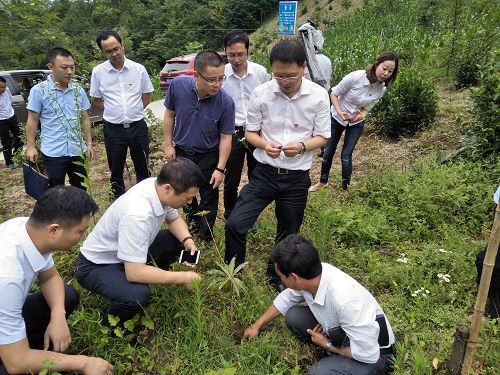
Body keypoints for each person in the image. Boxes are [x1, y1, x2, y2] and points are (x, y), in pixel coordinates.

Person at [224, 40, 330, 288]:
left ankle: (277, 277)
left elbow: (323, 135)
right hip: (264, 174)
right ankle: (234, 273)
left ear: (303, 67)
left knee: (288, 233)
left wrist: (303, 146)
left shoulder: (318, 96)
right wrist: (263, 145)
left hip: (296, 178)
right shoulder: (261, 93)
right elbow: (250, 132)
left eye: (291, 75)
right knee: (236, 223)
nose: (285, 81)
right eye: (279, 75)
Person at [243, 234, 395, 375]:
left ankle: (335, 359)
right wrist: (257, 325)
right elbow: (287, 298)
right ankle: (334, 356)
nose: (280, 279)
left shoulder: (346, 301)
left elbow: (368, 353)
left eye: (281, 276)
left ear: (294, 277)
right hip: (343, 332)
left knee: (318, 373)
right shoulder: (313, 275)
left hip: (377, 355)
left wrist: (328, 345)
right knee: (294, 316)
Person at [0, 186, 113, 374]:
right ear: (54, 230)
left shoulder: (25, 229)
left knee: (67, 295)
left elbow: (50, 277)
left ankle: (28, 349)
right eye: (80, 231)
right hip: (9, 331)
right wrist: (83, 363)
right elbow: (17, 363)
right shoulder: (8, 278)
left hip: (5, 310)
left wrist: (58, 316)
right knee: (14, 367)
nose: (83, 238)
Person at [76, 158, 203, 325]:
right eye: (187, 198)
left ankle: (150, 275)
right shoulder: (138, 214)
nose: (189, 203)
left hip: (125, 255)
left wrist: (187, 240)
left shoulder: (156, 186)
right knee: (137, 295)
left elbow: (173, 220)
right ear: (168, 189)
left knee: (177, 240)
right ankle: (111, 325)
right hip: (97, 265)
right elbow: (134, 272)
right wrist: (183, 277)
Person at [163, 50, 235, 242]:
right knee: (184, 195)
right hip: (183, 153)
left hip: (209, 156)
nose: (217, 84)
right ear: (196, 75)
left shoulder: (226, 102)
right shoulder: (178, 86)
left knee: (209, 197)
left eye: (221, 78)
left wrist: (220, 167)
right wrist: (168, 145)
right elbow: (169, 114)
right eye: (211, 79)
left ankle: (206, 238)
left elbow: (226, 137)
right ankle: (191, 229)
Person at [309, 52, 399, 192]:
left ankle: (346, 188)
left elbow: (367, 108)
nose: (386, 73)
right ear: (377, 64)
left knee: (346, 155)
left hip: (356, 122)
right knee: (328, 152)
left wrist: (360, 116)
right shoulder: (356, 77)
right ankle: (322, 182)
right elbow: (334, 93)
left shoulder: (381, 88)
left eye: (390, 71)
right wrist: (339, 111)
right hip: (337, 118)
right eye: (384, 68)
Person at [90, 30, 154, 199]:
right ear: (103, 52)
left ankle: (144, 198)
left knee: (142, 165)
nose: (114, 54)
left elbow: (146, 96)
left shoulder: (138, 69)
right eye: (108, 51)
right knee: (115, 168)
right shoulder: (98, 72)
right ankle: (119, 200)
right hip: (113, 129)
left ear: (122, 46)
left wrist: (133, 111)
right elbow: (96, 100)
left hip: (137, 126)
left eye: (116, 49)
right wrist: (114, 110)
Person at [26, 48, 93, 190]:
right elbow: (32, 120)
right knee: (55, 191)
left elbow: (85, 118)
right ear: (51, 67)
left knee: (81, 189)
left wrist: (89, 143)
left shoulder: (78, 90)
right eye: (64, 67)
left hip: (77, 150)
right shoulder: (39, 91)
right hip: (53, 151)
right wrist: (31, 147)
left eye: (72, 67)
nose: (69, 71)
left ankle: (80, 212)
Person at [221, 30, 269, 221]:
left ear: (248, 51)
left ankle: (251, 215)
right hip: (231, 132)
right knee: (231, 178)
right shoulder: (221, 73)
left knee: (256, 175)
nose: (236, 59)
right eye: (231, 55)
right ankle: (230, 213)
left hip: (255, 131)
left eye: (240, 54)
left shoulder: (259, 72)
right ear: (225, 52)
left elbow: (268, 99)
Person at [0, 76, 23, 169]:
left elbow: (9, 101)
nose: (3, 89)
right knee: (6, 142)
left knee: (20, 137)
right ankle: (9, 162)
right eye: (1, 88)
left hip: (11, 116)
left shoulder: (7, 90)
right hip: (1, 120)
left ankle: (16, 155)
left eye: (4, 87)